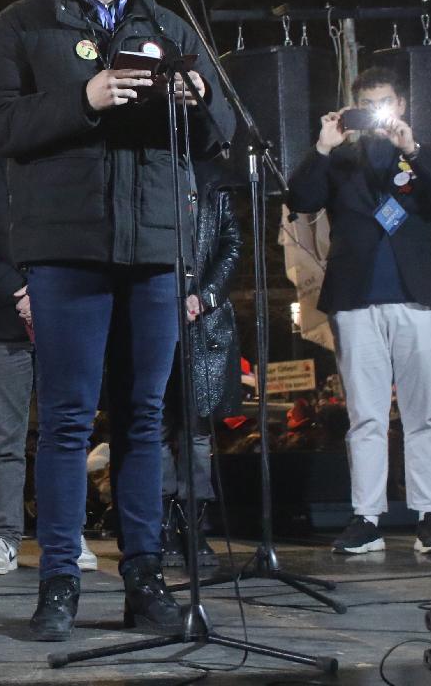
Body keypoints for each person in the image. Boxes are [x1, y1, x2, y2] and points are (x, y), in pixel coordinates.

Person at [0, 0, 234, 640]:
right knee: (63, 420)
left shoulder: (166, 19)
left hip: (154, 249)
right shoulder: (23, 24)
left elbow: (221, 130)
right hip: (66, 249)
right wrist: (85, 96)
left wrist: (195, 97)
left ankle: (144, 577)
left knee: (144, 420)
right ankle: (59, 581)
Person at [287, 66, 431, 555]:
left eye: (385, 103)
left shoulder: (426, 153)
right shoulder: (340, 158)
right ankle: (367, 517)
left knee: (424, 414)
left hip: (418, 297)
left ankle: (429, 516)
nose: (378, 114)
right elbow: (299, 198)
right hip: (357, 299)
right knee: (365, 416)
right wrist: (322, 146)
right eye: (368, 105)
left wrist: (413, 150)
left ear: (402, 105)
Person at [0, 102, 100, 576]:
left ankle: (67, 535)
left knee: (64, 434)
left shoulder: (62, 158)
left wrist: (50, 290)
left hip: (64, 311)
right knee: (5, 439)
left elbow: (84, 228)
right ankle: (4, 537)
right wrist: (18, 290)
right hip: (0, 318)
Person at [159, 158, 243, 567]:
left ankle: (194, 524)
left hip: (201, 320)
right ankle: (160, 523)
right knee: (153, 425)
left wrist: (206, 295)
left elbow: (231, 243)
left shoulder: (211, 180)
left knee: (194, 429)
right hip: (152, 307)